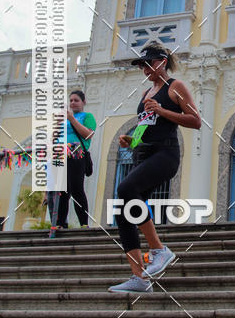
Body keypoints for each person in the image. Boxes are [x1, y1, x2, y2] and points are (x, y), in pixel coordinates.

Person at [109, 42, 202, 293]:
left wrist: (163, 110)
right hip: (143, 152)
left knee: (126, 188)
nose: (145, 70)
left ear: (162, 61)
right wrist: (131, 141)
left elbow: (195, 121)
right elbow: (146, 126)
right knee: (125, 211)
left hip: (165, 153)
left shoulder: (176, 87)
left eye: (149, 64)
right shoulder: (145, 94)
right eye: (142, 66)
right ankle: (139, 277)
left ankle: (159, 250)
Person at [48, 90, 96, 234]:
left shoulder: (87, 116)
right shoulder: (64, 119)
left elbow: (88, 134)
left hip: (77, 155)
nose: (73, 103)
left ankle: (83, 223)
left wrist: (72, 119)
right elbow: (53, 139)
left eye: (76, 100)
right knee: (61, 191)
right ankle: (61, 223)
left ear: (83, 102)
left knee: (77, 189)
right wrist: (58, 123)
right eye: (71, 100)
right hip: (60, 156)